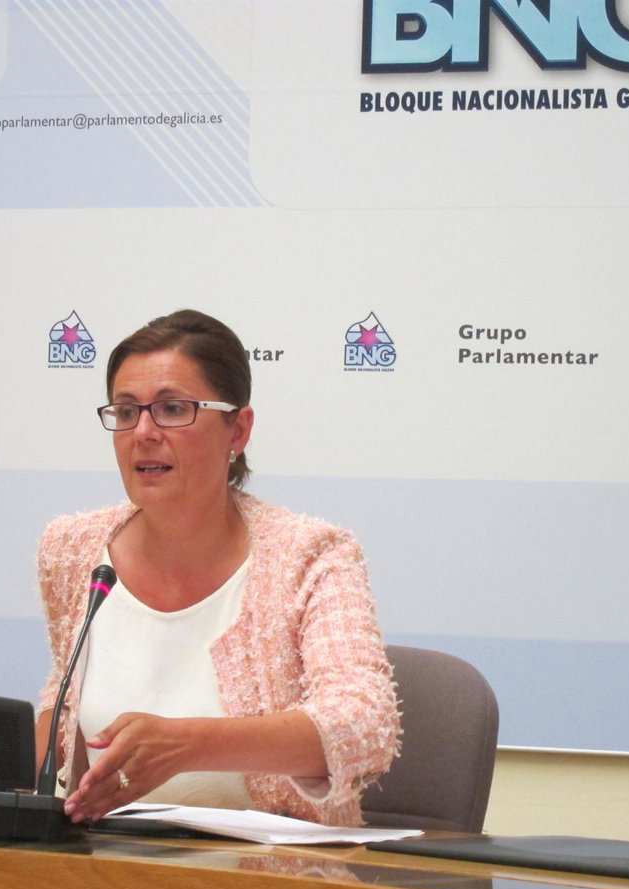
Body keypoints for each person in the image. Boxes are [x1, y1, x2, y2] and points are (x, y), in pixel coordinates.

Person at [34, 309, 399, 826]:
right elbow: (64, 705)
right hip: (112, 856)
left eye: (172, 409)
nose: (143, 432)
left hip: (277, 866)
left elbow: (365, 727)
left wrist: (186, 745)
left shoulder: (311, 554)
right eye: (126, 411)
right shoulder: (72, 549)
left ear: (238, 429)